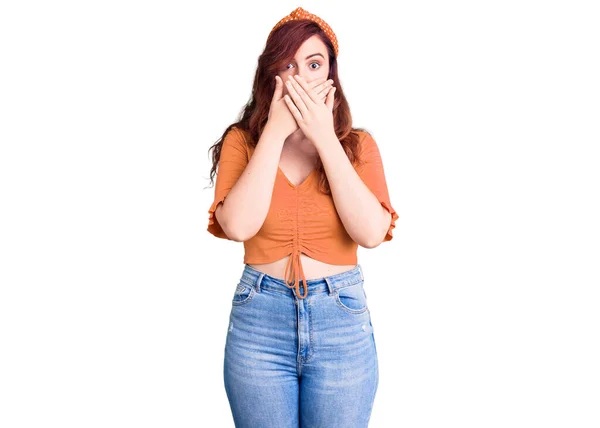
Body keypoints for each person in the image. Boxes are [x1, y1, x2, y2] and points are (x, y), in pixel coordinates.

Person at [206, 7, 398, 428]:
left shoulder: (357, 146)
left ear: (331, 73)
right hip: (260, 322)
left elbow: (370, 233)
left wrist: (324, 137)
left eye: (314, 64)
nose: (303, 77)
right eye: (289, 65)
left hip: (341, 321)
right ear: (272, 75)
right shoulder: (244, 142)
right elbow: (238, 226)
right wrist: (274, 131)